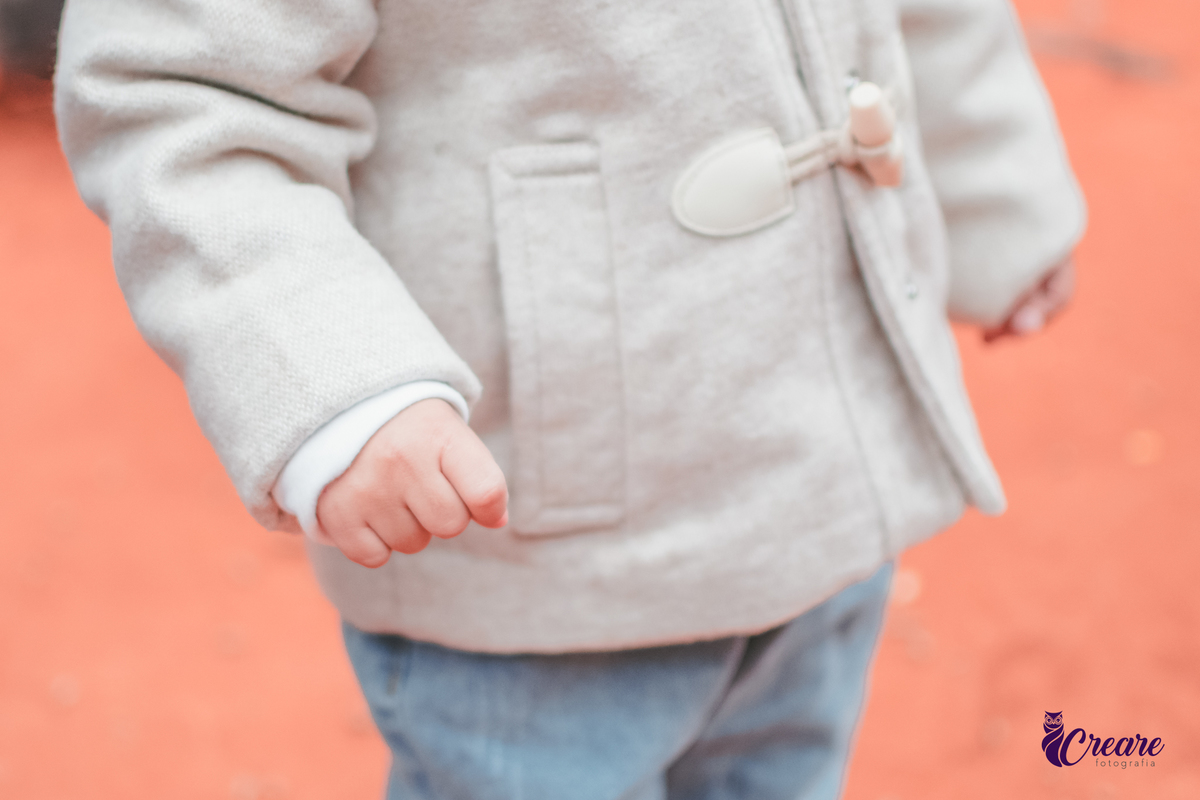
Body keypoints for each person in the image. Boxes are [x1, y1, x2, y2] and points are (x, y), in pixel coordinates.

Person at [54, 0, 1084, 797]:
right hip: (542, 563)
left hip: (814, 486)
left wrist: (1000, 188)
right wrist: (338, 379)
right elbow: (180, 88)